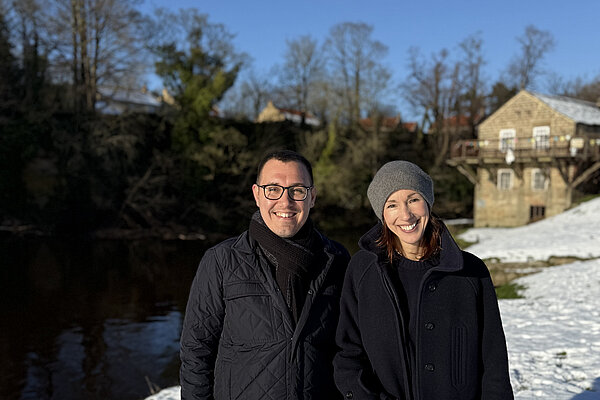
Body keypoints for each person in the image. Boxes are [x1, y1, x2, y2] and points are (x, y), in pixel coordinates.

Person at [333, 160, 513, 400]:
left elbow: (493, 361)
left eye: (413, 199)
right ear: (382, 214)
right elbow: (348, 353)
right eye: (392, 205)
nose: (405, 215)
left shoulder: (470, 272)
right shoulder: (363, 269)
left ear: (427, 202)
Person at [180, 149, 350, 400]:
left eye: (297, 190)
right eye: (273, 189)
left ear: (312, 197)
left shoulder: (337, 260)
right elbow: (196, 351)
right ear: (257, 194)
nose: (286, 201)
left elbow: (349, 348)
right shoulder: (221, 260)